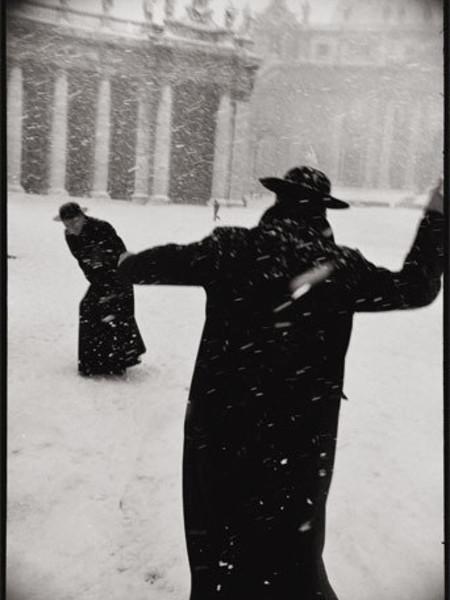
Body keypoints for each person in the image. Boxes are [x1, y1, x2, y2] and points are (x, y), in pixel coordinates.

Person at [117, 166, 443, 600]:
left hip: (220, 422)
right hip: (302, 431)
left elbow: (142, 266)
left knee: (218, 532)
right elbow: (416, 287)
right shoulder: (341, 267)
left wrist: (123, 261)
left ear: (277, 202)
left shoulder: (230, 248)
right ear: (322, 213)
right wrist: (437, 216)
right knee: (293, 542)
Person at [55, 202, 146, 377]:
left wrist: (110, 283)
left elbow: (120, 253)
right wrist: (96, 279)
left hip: (118, 276)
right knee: (88, 308)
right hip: (98, 279)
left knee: (114, 313)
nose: (72, 228)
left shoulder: (102, 227)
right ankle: (92, 363)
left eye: (74, 222)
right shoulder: (70, 236)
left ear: (82, 217)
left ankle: (117, 361)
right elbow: (82, 261)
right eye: (67, 224)